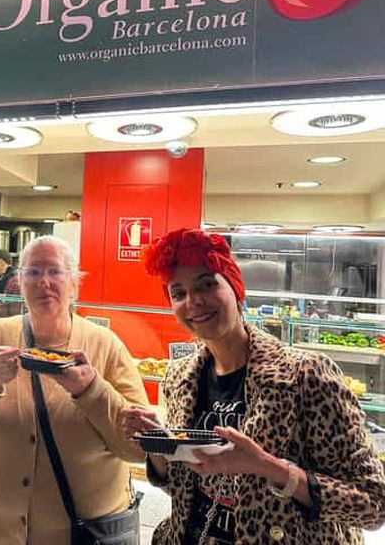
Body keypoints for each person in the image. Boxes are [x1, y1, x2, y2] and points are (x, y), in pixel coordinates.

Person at [122, 228, 385, 544]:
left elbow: (374, 504)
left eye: (207, 284)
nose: (193, 301)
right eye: (178, 293)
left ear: (234, 287)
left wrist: (268, 467)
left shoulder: (306, 375)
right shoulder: (180, 378)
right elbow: (188, 490)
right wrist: (160, 447)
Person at [0, 235, 149, 544]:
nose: (43, 282)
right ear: (20, 282)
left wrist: (91, 390)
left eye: (55, 271)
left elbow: (139, 447)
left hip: (82, 536)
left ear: (74, 282)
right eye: (33, 272)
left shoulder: (105, 345)